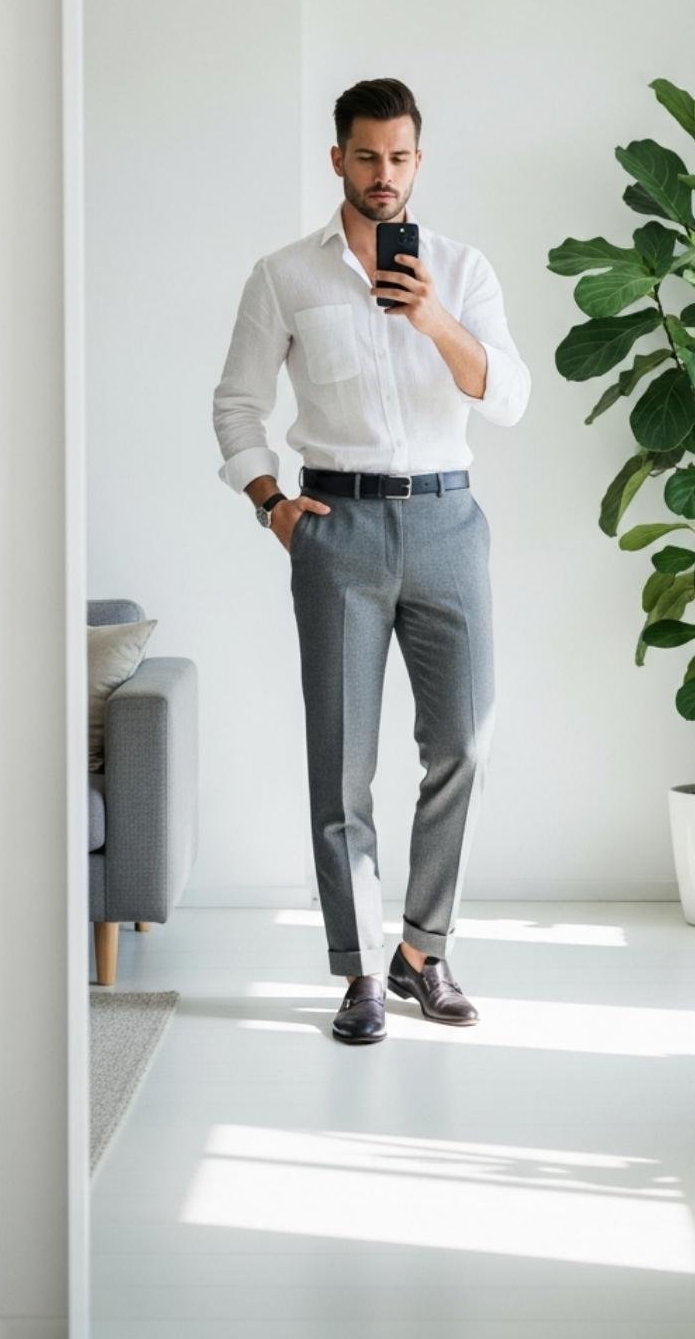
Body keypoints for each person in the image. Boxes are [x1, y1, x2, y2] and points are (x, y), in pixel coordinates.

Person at [212, 78, 531, 1044]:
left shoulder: (462, 271)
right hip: (337, 528)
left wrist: (432, 317)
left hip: (446, 522)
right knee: (341, 765)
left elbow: (509, 398)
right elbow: (235, 402)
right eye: (365, 156)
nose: (382, 175)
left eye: (398, 158)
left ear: (418, 162)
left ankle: (421, 955)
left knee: (463, 745)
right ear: (337, 159)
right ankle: (356, 971)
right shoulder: (284, 276)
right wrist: (271, 503)